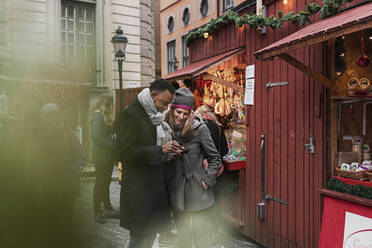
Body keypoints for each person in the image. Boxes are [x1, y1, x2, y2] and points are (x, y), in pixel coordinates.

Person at [115, 79, 180, 248]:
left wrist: (170, 152)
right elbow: (124, 153)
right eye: (164, 103)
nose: (165, 108)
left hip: (154, 192)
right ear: (153, 95)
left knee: (149, 240)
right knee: (139, 241)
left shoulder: (155, 116)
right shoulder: (130, 115)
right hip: (140, 194)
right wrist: (160, 150)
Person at [165, 88, 221, 248]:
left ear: (190, 113)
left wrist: (207, 180)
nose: (181, 117)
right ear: (172, 109)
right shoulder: (165, 128)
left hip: (198, 191)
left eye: (185, 114)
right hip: (177, 193)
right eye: (178, 112)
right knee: (184, 241)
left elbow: (215, 157)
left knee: (201, 240)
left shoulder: (200, 129)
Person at [195, 105, 229, 245]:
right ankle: (214, 234)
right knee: (216, 203)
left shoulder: (197, 126)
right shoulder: (218, 127)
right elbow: (225, 150)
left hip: (201, 171)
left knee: (202, 202)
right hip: (217, 172)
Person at [91, 94, 119, 224]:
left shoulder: (105, 116)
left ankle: (107, 207)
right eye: (111, 103)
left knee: (106, 181)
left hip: (107, 154)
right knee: (100, 183)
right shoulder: (98, 116)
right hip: (101, 155)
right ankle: (98, 211)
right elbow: (96, 135)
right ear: (107, 104)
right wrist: (111, 144)